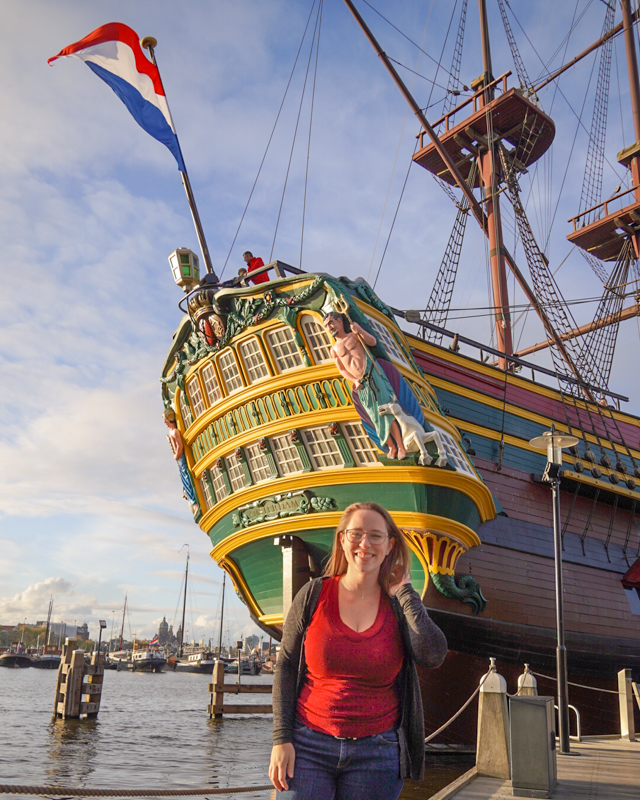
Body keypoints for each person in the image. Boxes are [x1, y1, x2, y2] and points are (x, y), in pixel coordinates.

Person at [269, 502, 448, 799]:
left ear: (390, 545)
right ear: (342, 539)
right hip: (308, 747)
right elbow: (286, 665)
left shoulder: (397, 606)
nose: (365, 544)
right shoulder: (313, 595)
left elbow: (433, 654)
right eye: (356, 534)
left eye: (376, 536)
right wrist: (281, 739)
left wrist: (404, 592)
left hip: (377, 754)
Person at [163, 409, 199, 517]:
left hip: (180, 458)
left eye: (165, 420)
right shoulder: (171, 432)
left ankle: (194, 503)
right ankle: (191, 500)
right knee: (183, 478)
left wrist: (176, 455)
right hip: (178, 459)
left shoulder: (175, 432)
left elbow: (180, 446)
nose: (165, 422)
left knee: (186, 478)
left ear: (170, 419)